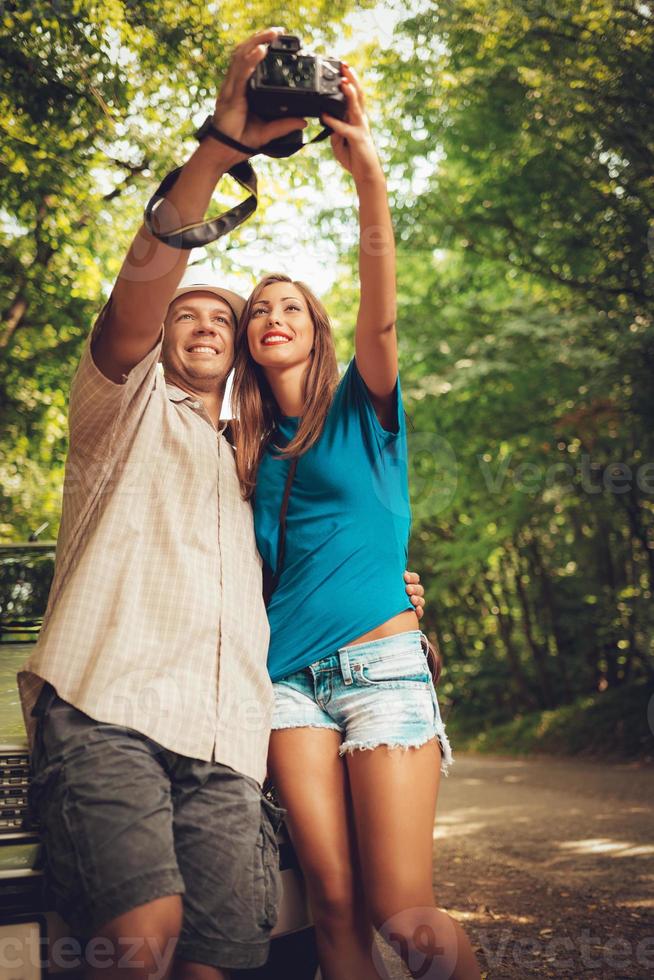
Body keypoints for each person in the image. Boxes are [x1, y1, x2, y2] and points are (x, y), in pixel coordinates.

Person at [17, 29, 425, 980]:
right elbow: (140, 289)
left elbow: (319, 547)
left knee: (220, 958)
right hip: (110, 703)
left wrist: (386, 586)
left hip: (230, 736)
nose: (205, 323)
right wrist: (221, 149)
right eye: (187, 315)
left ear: (244, 354)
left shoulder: (254, 467)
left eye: (224, 319)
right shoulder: (117, 409)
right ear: (161, 338)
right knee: (144, 937)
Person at [231, 66, 482, 980]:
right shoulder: (242, 453)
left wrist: (367, 173)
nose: (272, 315)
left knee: (405, 914)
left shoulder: (363, 406)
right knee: (329, 907)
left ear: (319, 328)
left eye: (290, 306)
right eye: (259, 309)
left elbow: (385, 305)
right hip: (285, 684)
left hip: (381, 668)